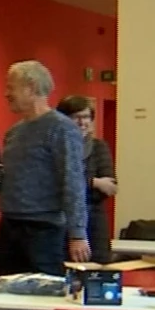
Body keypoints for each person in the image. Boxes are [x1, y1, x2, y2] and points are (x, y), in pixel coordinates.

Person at [0, 60, 89, 310]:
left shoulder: (61, 129)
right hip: (11, 224)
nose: (6, 94)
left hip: (45, 229)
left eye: (11, 87)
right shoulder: (13, 132)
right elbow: (21, 179)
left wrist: (77, 232)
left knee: (56, 309)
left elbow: (72, 181)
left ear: (31, 87)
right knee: (10, 303)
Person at [57, 94, 118, 263]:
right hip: (61, 222)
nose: (83, 122)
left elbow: (110, 188)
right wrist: (93, 182)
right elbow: (57, 183)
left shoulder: (99, 147)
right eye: (77, 117)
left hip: (95, 224)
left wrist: (82, 184)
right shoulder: (57, 148)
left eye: (87, 117)